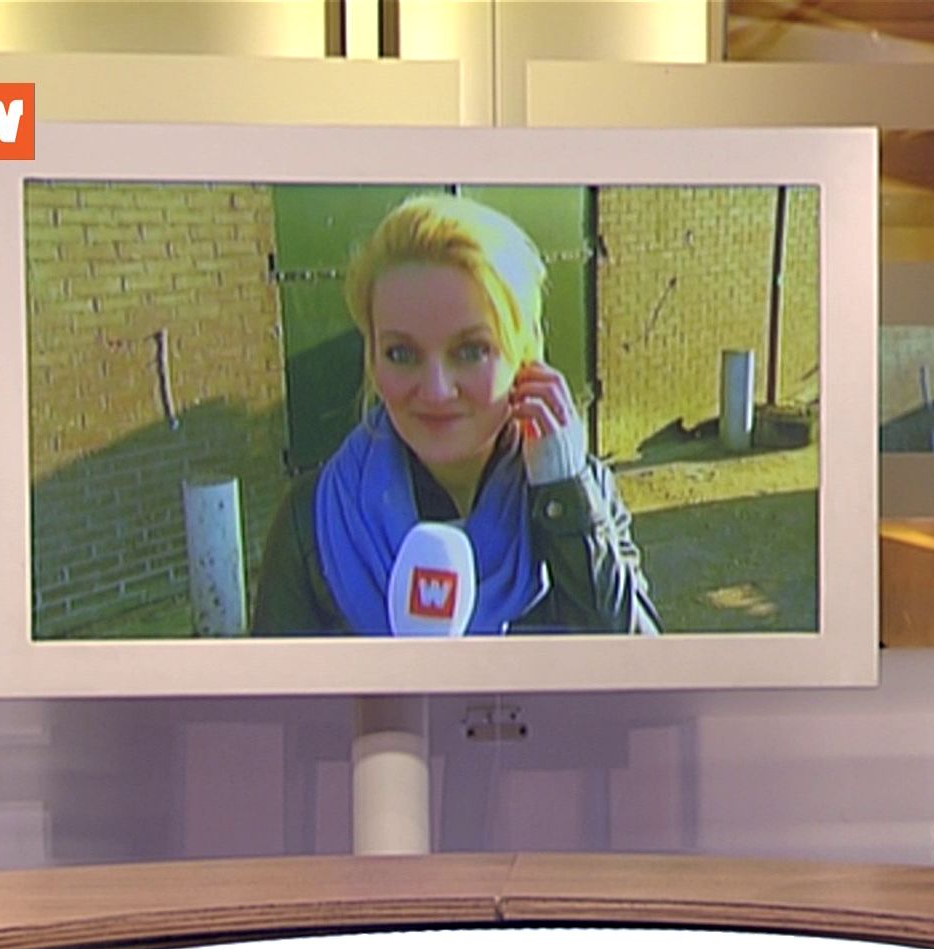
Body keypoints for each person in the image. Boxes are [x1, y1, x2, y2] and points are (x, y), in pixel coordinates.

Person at [253, 193, 659, 636]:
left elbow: (639, 666)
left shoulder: (584, 493)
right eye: (401, 353)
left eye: (471, 351)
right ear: (372, 359)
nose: (436, 391)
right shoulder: (310, 522)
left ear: (522, 355)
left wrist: (566, 504)